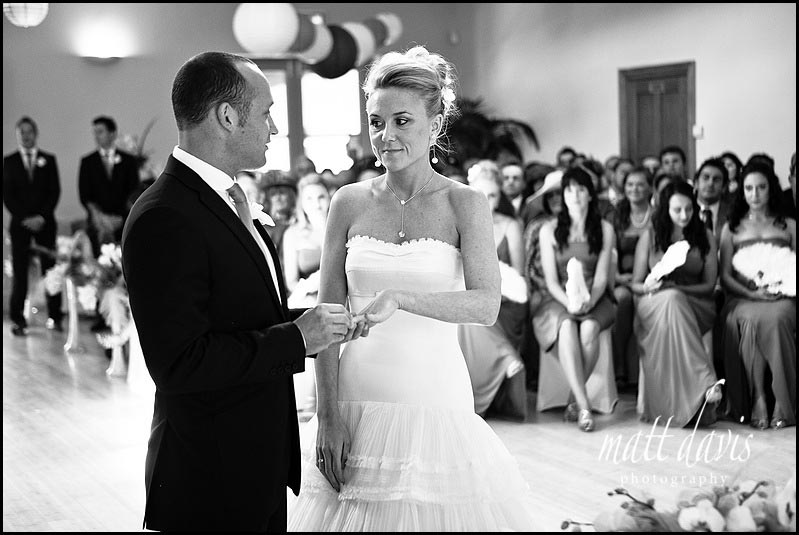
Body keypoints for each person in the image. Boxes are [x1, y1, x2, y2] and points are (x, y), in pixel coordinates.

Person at [287, 46, 535, 531]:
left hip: (435, 397)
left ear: (435, 120)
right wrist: (329, 415)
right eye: (376, 122)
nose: (386, 136)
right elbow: (326, 316)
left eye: (402, 121)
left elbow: (486, 304)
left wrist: (401, 298)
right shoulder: (348, 202)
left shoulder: (465, 203)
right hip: (356, 397)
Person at [121, 51, 363, 532]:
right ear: (228, 117)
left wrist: (325, 320)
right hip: (210, 477)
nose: (274, 128)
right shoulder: (164, 216)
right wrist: (297, 340)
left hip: (254, 463)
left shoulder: (227, 198)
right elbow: (179, 362)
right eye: (267, 112)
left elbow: (243, 312)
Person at [631, 180, 723, 428]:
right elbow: (635, 283)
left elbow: (708, 285)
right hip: (654, 303)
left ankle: (695, 397)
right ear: (665, 210)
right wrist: (649, 286)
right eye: (677, 210)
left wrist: (677, 289)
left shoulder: (705, 236)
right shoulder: (650, 235)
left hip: (696, 303)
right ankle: (705, 381)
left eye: (689, 209)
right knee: (670, 300)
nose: (684, 215)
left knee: (674, 299)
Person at [531, 166, 616, 432]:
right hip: (557, 298)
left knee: (589, 327)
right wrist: (569, 303)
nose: (574, 195)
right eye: (569, 190)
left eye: (581, 189)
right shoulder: (549, 230)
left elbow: (602, 276)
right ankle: (584, 406)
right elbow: (550, 280)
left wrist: (590, 300)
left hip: (596, 296)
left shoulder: (604, 228)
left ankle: (574, 400)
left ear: (590, 195)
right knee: (567, 326)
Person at [719, 162, 796, 430]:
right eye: (749, 188)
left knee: (776, 319)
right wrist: (752, 292)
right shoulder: (732, 228)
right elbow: (725, 275)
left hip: (782, 298)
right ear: (742, 191)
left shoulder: (789, 225)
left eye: (761, 187)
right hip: (743, 298)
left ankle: (782, 403)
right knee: (751, 321)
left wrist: (781, 288)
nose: (755, 194)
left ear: (771, 189)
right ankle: (758, 398)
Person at [458, 160, 528, 420]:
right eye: (481, 194)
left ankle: (504, 358)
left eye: (493, 195)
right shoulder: (461, 224)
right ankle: (504, 359)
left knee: (473, 312)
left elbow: (520, 278)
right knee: (466, 313)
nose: (487, 201)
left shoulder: (510, 225)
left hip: (508, 301)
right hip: (472, 297)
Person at [3, 116, 63, 336]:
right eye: (22, 132)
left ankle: (55, 317)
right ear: (17, 135)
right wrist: (25, 219)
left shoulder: (49, 159)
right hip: (20, 226)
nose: (26, 135)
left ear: (35, 133)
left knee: (51, 270)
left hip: (45, 224)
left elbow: (54, 192)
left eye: (29, 131)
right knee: (19, 273)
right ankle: (18, 319)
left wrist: (41, 217)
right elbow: (7, 196)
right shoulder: (8, 162)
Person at [283, 173, 332, 420]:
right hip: (307, 302)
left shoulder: (338, 227)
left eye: (321, 196)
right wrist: (312, 284)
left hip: (336, 302)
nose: (316, 203)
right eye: (309, 198)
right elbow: (290, 281)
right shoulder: (294, 234)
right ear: (301, 202)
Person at [610, 166, 653, 390]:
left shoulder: (658, 216)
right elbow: (609, 251)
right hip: (620, 279)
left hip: (650, 279)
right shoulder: (617, 216)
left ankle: (644, 374)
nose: (634, 189)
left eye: (640, 184)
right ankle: (619, 368)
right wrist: (618, 276)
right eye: (629, 184)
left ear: (650, 187)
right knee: (622, 300)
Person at [78, 115, 141, 258]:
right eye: (94, 132)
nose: (96, 136)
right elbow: (84, 195)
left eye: (100, 131)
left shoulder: (128, 161)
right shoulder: (87, 162)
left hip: (123, 222)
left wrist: (120, 218)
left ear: (112, 134)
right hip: (98, 224)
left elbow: (134, 192)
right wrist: (101, 218)